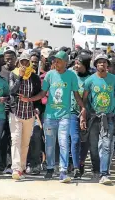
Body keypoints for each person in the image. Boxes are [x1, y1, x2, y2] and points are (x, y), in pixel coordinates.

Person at [20, 51, 85, 183]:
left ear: (65, 62)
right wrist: (30, 99)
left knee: (63, 142)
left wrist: (83, 108)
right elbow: (43, 93)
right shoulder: (50, 75)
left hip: (64, 116)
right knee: (49, 144)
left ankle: (62, 171)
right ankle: (50, 168)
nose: (55, 63)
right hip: (49, 116)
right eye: (55, 61)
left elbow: (77, 95)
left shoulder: (71, 76)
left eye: (58, 61)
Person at [9, 53, 42, 180]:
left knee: (25, 142)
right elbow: (12, 91)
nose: (24, 64)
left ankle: (22, 167)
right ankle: (16, 168)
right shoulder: (14, 74)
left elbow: (38, 95)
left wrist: (37, 107)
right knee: (15, 140)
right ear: (18, 62)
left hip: (29, 113)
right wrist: (20, 78)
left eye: (26, 62)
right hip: (16, 112)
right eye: (22, 62)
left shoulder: (34, 77)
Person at [82, 54, 115, 185]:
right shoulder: (90, 81)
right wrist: (85, 114)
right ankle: (96, 170)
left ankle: (104, 173)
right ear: (96, 65)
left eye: (104, 62)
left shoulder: (113, 79)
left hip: (109, 117)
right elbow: (84, 99)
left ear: (108, 65)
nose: (102, 64)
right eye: (100, 63)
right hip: (94, 117)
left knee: (106, 145)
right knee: (94, 147)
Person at [70, 54, 91, 179]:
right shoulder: (71, 76)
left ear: (86, 65)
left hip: (88, 113)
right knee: (75, 139)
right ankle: (76, 167)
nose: (76, 66)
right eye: (75, 63)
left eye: (79, 63)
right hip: (72, 111)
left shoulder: (91, 78)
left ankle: (82, 162)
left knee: (85, 140)